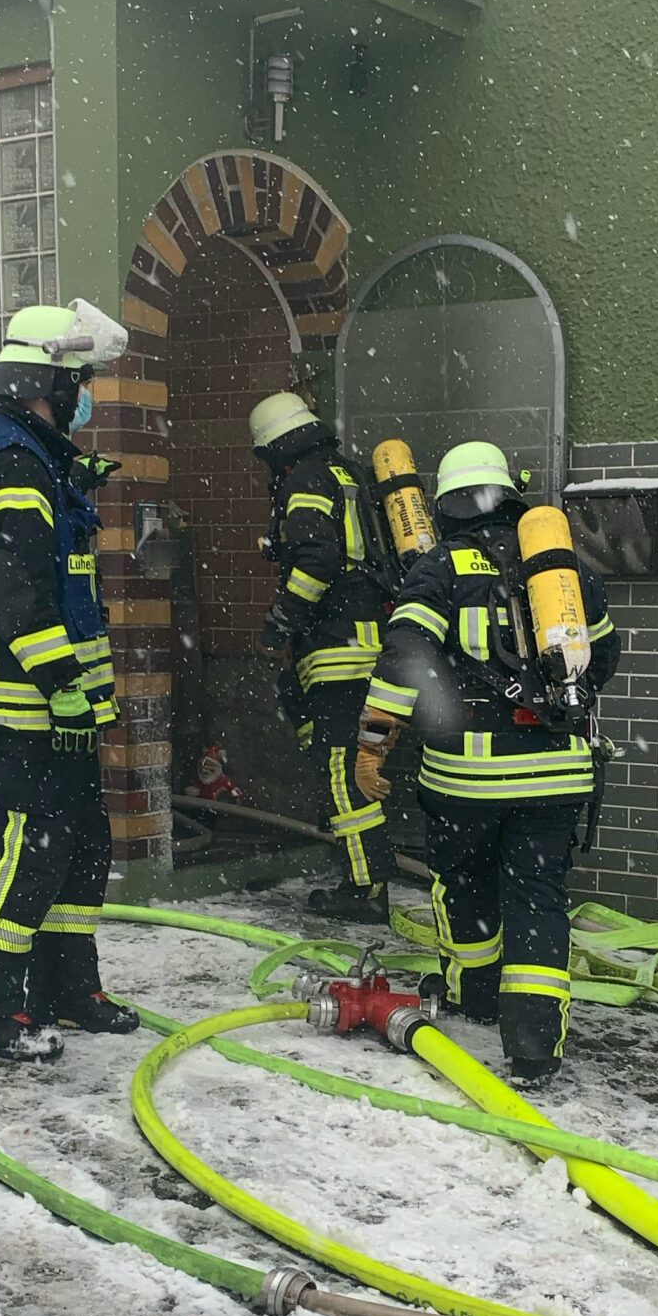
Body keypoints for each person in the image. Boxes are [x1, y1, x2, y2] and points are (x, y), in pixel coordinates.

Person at [356, 441, 619, 1089]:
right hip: (557, 774)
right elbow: (603, 660)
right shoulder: (560, 570)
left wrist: (372, 744)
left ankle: (475, 996)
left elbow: (404, 657)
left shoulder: (439, 568)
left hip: (465, 780)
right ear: (509, 495)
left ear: (445, 506)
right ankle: (533, 1048)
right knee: (537, 898)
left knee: (465, 882)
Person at [0, 301, 143, 1060]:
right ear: (49, 382)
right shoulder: (14, 464)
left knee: (80, 847)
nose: (87, 396)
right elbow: (17, 592)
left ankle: (64, 991)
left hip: (59, 704)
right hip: (30, 704)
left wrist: (75, 482)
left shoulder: (35, 457)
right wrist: (62, 685)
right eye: (81, 381)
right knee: (29, 852)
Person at [249, 388, 399, 924]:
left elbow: (317, 560)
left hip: (340, 655)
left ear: (275, 447)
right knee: (354, 760)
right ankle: (361, 871)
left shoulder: (305, 480)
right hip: (375, 654)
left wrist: (280, 621)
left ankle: (365, 889)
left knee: (342, 767)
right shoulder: (347, 473)